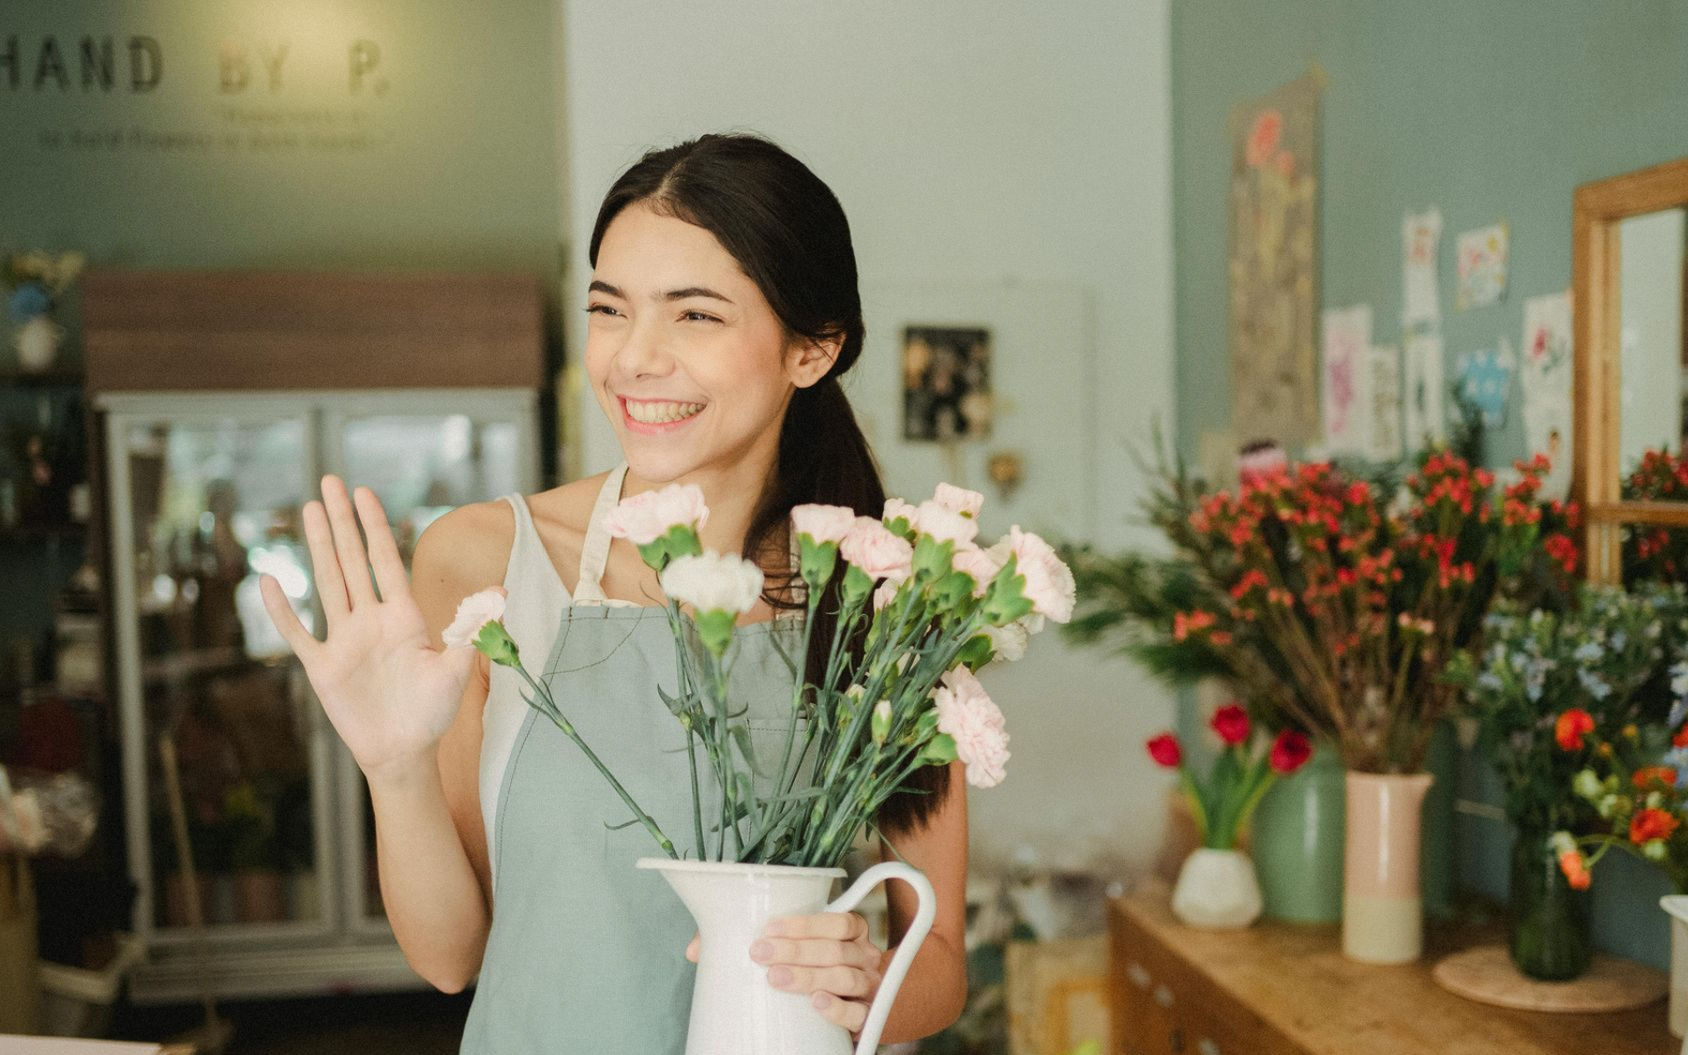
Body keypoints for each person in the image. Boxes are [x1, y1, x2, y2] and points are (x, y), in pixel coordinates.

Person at [259, 132, 969, 1051]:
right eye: (609, 308)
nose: (634, 358)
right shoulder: (486, 561)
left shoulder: (885, 595)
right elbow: (450, 957)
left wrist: (866, 984)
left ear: (813, 349)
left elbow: (942, 955)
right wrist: (393, 771)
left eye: (695, 316)